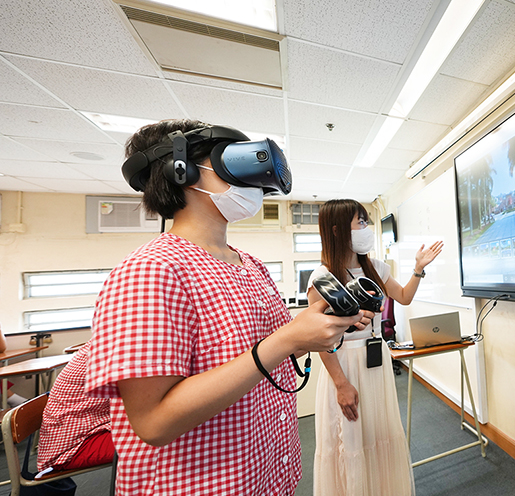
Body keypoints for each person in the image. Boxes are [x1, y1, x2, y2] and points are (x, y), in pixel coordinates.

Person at [84, 119, 374, 495]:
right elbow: (154, 422)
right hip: (204, 485)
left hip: (267, 473)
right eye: (227, 162)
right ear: (182, 169)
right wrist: (286, 339)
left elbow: (268, 354)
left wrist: (312, 332)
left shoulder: (249, 264)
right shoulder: (150, 270)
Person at [307, 199, 443, 496]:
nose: (367, 229)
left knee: (379, 434)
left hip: (376, 359)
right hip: (342, 366)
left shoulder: (376, 267)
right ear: (337, 229)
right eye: (361, 222)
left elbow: (404, 297)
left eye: (366, 222)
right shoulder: (321, 278)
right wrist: (341, 384)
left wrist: (418, 268)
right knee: (350, 438)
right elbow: (319, 340)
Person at [37, 339, 113, 474]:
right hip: (71, 446)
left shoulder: (109, 340)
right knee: (155, 438)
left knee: (155, 430)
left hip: (91, 426)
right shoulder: (114, 349)